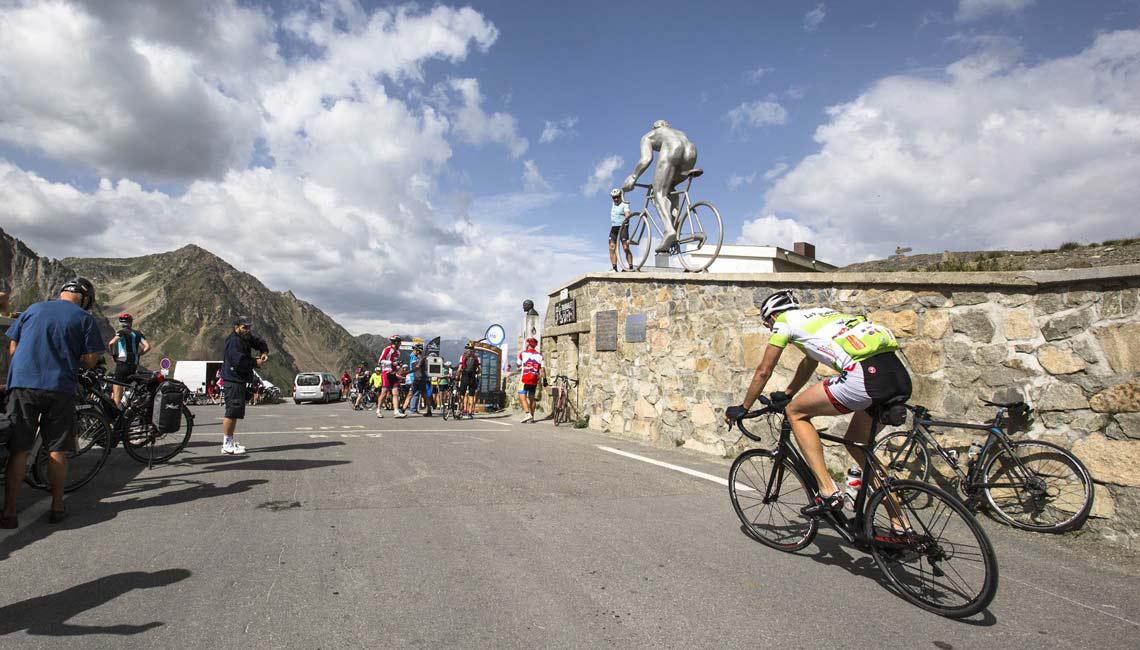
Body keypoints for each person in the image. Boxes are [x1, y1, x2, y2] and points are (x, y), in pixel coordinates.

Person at [725, 291, 912, 530]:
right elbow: (809, 362)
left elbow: (764, 370)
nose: (769, 326)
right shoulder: (825, 315)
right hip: (897, 376)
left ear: (772, 316)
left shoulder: (783, 322)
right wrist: (789, 391)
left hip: (863, 378)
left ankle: (827, 490)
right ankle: (900, 522)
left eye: (767, 322)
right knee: (856, 444)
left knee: (795, 412)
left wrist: (743, 407)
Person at [3, 277, 104, 528]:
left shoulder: (32, 309)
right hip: (59, 386)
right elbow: (91, 359)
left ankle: (9, 511)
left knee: (19, 448)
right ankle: (57, 507)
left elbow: (13, 347)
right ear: (84, 298)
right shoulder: (84, 319)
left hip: (23, 384)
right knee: (57, 449)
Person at [621, 120, 698, 253]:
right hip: (691, 151)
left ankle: (669, 230)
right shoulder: (678, 132)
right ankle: (675, 232)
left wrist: (633, 177)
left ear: (655, 127)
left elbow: (646, 159)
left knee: (659, 193)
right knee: (670, 189)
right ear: (666, 126)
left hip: (673, 148)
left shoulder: (649, 135)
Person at [220, 316, 269, 455]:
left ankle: (229, 441)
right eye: (244, 327)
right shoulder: (234, 341)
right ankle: (227, 444)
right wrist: (255, 363)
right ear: (236, 327)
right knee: (232, 411)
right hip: (233, 379)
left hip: (239, 380)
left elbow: (258, 342)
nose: (247, 330)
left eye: (249, 327)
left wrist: (264, 351)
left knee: (235, 412)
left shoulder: (245, 337)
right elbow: (239, 363)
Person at [107, 312, 150, 408]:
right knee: (129, 388)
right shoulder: (138, 333)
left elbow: (111, 343)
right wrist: (139, 354)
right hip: (133, 365)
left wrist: (113, 355)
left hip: (122, 364)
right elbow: (147, 347)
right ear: (131, 322)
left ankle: (117, 413)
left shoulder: (121, 332)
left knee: (117, 390)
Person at [517, 338, 545, 423]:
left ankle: (527, 413)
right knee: (532, 398)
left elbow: (518, 365)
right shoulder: (540, 355)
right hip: (534, 379)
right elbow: (542, 370)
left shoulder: (523, 354)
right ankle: (532, 417)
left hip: (524, 379)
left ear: (528, 344)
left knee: (522, 396)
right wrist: (545, 380)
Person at [608, 189, 634, 272]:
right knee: (612, 248)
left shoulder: (624, 204)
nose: (615, 199)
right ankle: (614, 268)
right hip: (614, 228)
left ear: (620, 197)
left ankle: (630, 267)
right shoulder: (613, 204)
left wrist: (627, 217)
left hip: (623, 227)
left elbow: (627, 213)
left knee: (625, 247)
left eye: (617, 197)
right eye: (614, 197)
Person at [377, 335, 402, 418]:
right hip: (386, 373)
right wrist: (391, 363)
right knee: (384, 393)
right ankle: (378, 410)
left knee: (395, 393)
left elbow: (396, 364)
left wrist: (398, 366)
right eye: (399, 342)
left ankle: (396, 411)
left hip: (393, 374)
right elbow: (380, 361)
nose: (400, 344)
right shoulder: (387, 349)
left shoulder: (398, 352)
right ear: (395, 342)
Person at [457, 342, 481, 419]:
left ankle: (461, 411)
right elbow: (480, 370)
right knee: (471, 396)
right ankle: (470, 412)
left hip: (464, 377)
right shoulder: (477, 358)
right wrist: (476, 372)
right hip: (472, 378)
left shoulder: (463, 357)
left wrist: (457, 375)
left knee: (462, 394)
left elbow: (460, 368)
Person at [411, 344, 433, 417]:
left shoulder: (422, 358)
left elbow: (418, 368)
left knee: (421, 395)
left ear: (418, 351)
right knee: (420, 395)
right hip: (418, 379)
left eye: (414, 349)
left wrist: (406, 372)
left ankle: (412, 409)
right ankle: (428, 410)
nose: (413, 351)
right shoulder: (417, 358)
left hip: (421, 379)